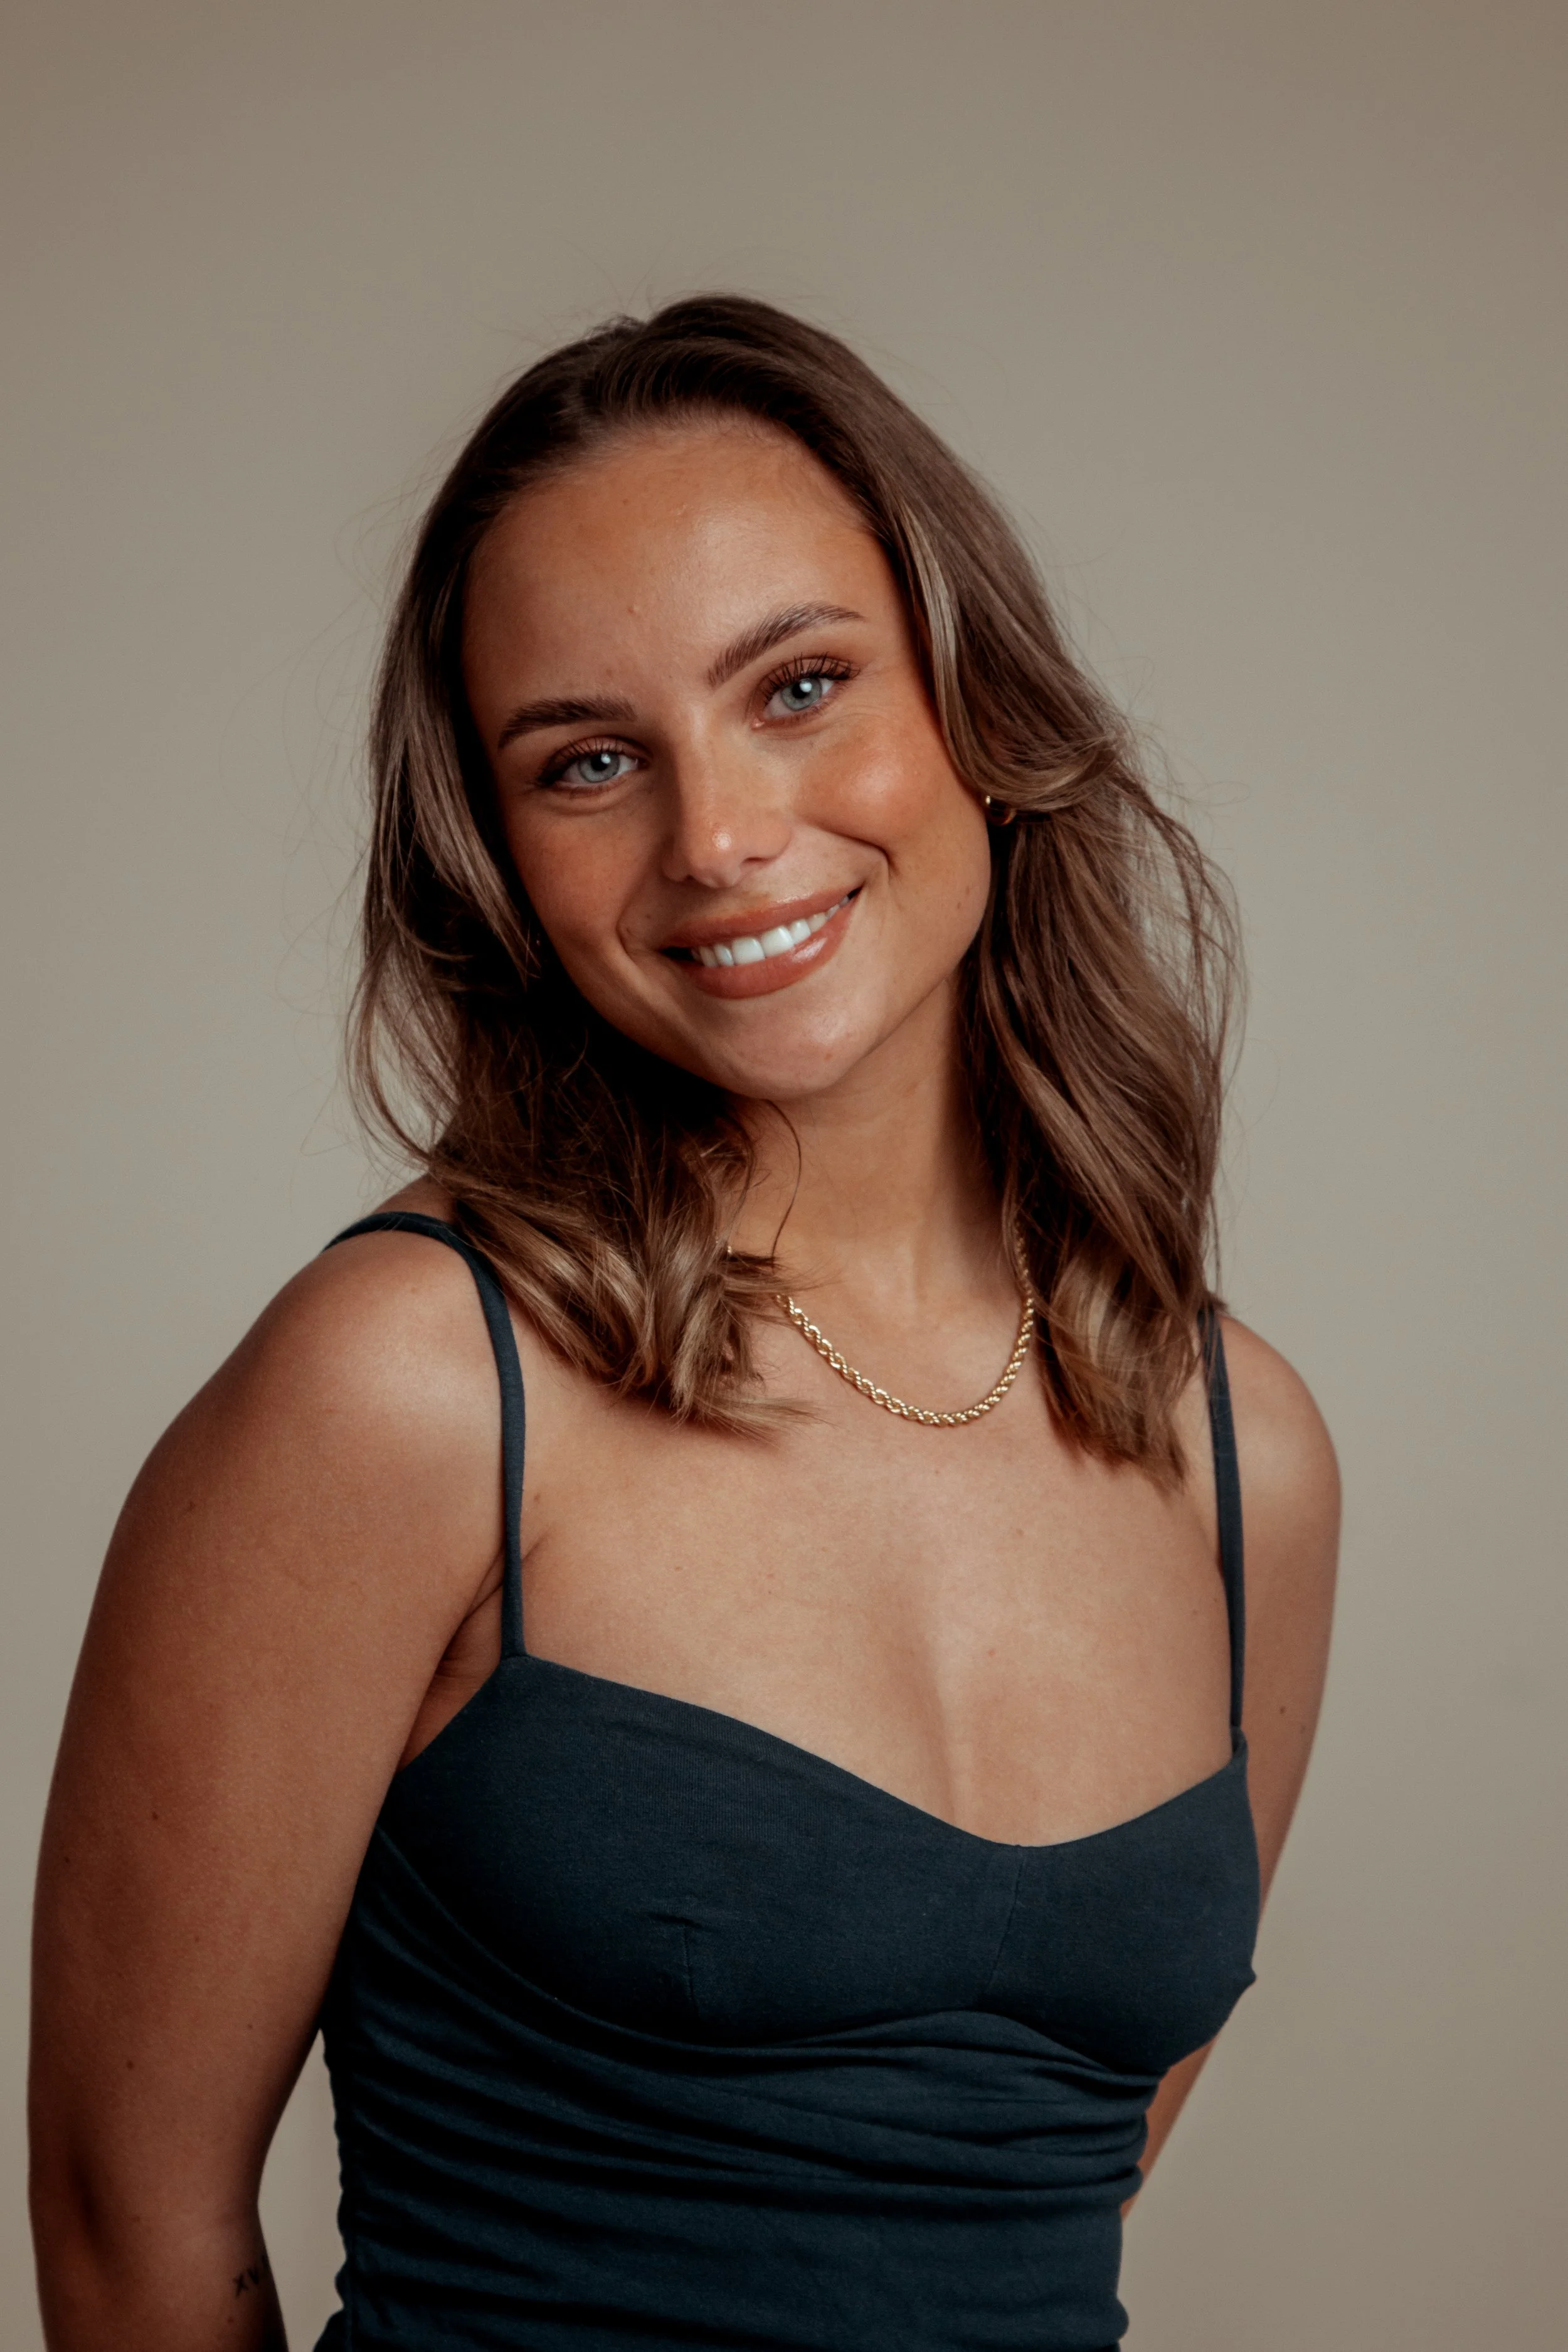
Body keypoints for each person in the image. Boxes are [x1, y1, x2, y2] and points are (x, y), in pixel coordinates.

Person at [29, 296, 1339, 2352]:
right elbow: (131, 2235)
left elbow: (1025, 2198)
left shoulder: (1239, 1454)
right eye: (589, 759)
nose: (716, 837)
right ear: (499, 857)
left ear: (972, 711)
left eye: (801, 685)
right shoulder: (410, 1386)